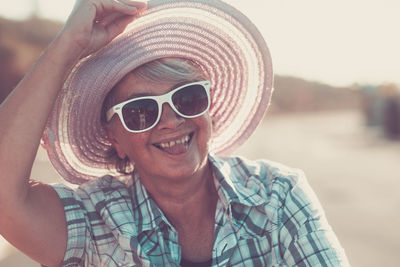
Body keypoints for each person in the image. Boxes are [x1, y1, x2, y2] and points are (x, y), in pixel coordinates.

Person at [0, 0, 350, 266]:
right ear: (115, 139)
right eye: (140, 111)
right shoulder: (96, 221)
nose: (170, 121)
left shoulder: (278, 196)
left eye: (187, 97)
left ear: (209, 108)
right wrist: (68, 43)